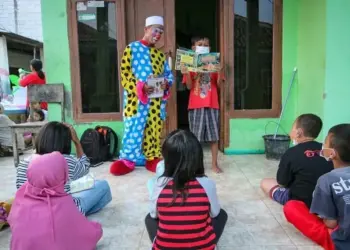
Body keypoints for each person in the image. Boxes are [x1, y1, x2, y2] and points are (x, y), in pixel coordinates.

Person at [110, 16, 173, 176]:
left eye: (161, 31)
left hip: (156, 102)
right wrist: (141, 87)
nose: (158, 34)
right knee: (133, 128)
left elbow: (168, 74)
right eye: (155, 30)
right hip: (135, 101)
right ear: (146, 29)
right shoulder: (131, 48)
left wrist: (166, 82)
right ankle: (127, 160)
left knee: (154, 129)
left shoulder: (160, 55)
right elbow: (125, 74)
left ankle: (152, 157)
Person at [145, 129, 228, 249]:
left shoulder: (160, 184)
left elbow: (154, 215)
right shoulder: (207, 184)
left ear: (166, 160)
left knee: (149, 218)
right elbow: (214, 213)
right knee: (222, 215)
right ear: (198, 157)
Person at [8, 152, 103, 250]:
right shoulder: (65, 204)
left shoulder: (21, 198)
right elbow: (87, 235)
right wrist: (97, 229)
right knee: (102, 187)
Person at [16, 121, 112, 215]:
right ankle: (79, 214)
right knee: (102, 185)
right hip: (61, 213)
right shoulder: (66, 160)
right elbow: (85, 167)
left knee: (70, 186)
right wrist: (77, 141)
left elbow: (20, 190)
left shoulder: (24, 162)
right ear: (65, 142)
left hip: (32, 213)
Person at [283, 124, 350, 250]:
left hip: (343, 243)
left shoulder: (326, 180)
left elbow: (330, 223)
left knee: (292, 207)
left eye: (325, 143)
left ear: (332, 153)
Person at [260, 114, 333, 208]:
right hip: (326, 202)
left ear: (299, 133)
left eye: (292, 128)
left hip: (301, 203)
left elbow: (282, 182)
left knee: (266, 182)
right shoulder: (328, 151)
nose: (290, 132)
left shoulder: (291, 153)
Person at [181, 36, 224, 173]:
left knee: (214, 136)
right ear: (194, 48)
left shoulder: (213, 62)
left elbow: (218, 86)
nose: (204, 46)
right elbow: (188, 86)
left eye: (206, 44)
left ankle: (214, 164)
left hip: (212, 104)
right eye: (200, 44)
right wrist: (187, 73)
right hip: (195, 105)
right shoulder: (189, 63)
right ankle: (196, 165)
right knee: (195, 138)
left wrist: (219, 71)